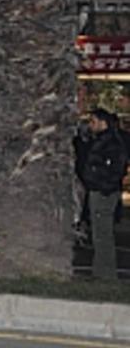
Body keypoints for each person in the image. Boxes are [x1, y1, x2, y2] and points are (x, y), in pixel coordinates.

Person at [79, 108, 126, 280]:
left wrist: (104, 185)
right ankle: (100, 271)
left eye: (93, 121)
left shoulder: (110, 142)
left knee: (103, 234)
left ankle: (105, 273)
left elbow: (116, 168)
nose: (91, 125)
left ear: (102, 122)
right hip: (99, 189)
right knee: (99, 233)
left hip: (103, 192)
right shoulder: (102, 140)